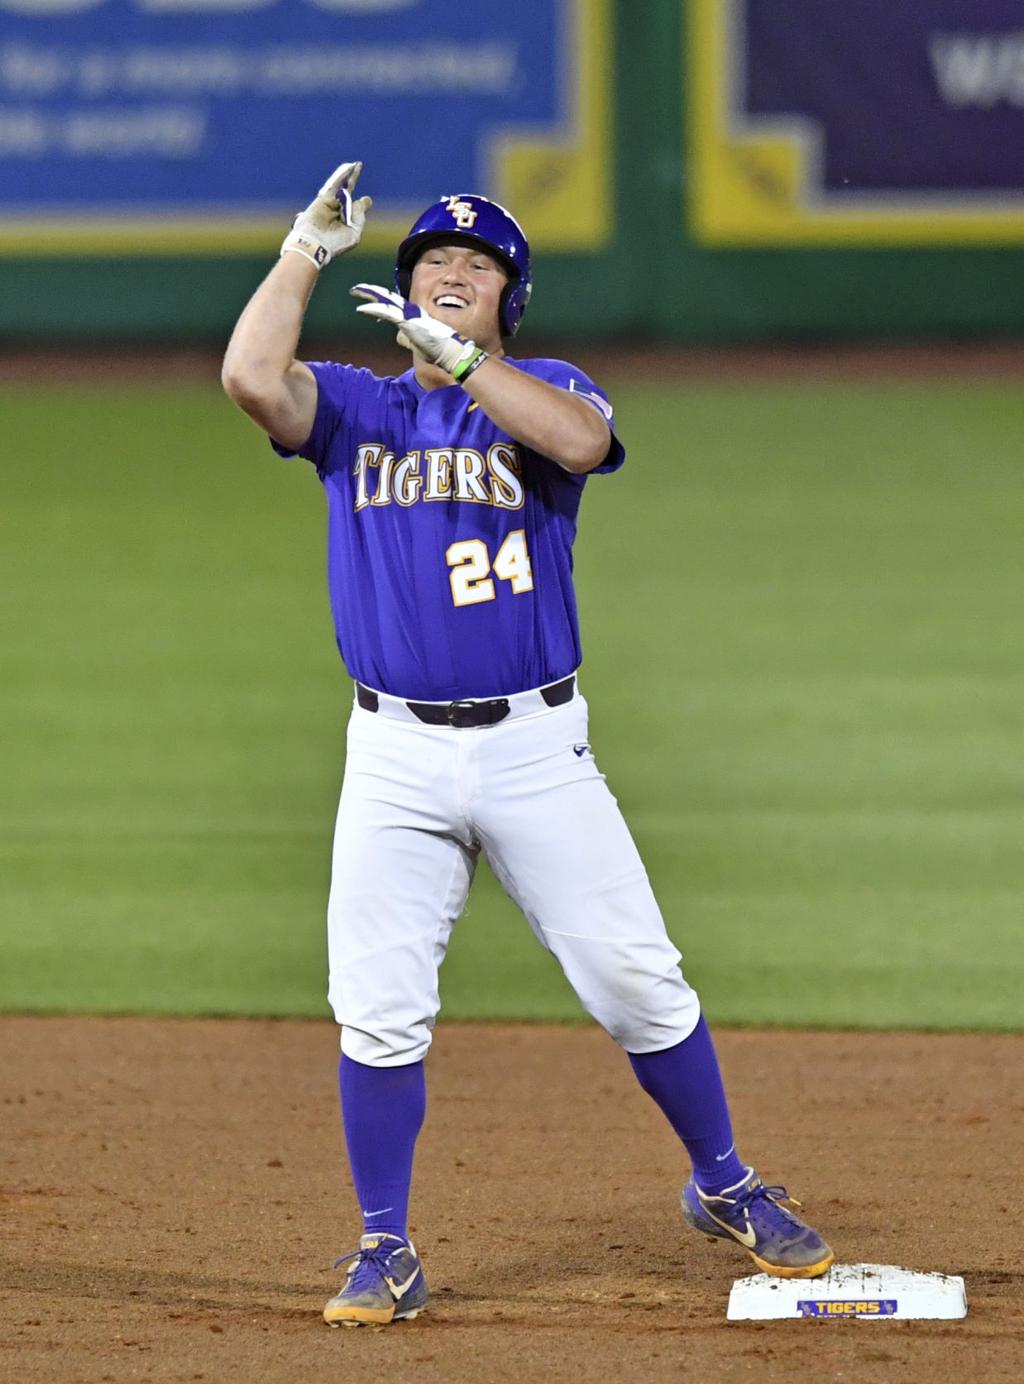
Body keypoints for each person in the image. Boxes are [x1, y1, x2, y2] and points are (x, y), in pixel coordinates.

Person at [221, 162, 834, 1328]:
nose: (450, 272)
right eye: (432, 263)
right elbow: (252, 378)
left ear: (511, 302)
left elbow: (579, 439)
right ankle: (383, 1246)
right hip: (392, 756)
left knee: (636, 984)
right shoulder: (358, 409)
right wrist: (306, 246)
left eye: (479, 267)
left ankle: (725, 1182)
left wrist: (465, 365)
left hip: (536, 749)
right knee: (379, 1005)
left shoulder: (542, 383)